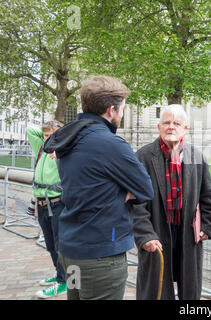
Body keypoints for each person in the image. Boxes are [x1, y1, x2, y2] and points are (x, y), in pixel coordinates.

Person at [43, 75, 154, 300]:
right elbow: (146, 190)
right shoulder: (110, 144)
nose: (122, 114)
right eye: (122, 109)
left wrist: (109, 192)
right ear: (111, 110)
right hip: (100, 259)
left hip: (71, 252)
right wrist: (119, 193)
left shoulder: (69, 138)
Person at [133, 104, 211, 300]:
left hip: (187, 233)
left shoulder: (196, 157)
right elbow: (136, 204)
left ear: (185, 128)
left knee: (190, 289)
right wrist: (145, 235)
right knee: (156, 289)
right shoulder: (143, 157)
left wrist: (206, 226)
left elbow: (208, 198)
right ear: (158, 126)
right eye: (166, 122)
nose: (171, 127)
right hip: (157, 231)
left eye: (176, 123)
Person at [27, 120, 66, 299]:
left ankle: (63, 281)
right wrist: (49, 129)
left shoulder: (64, 151)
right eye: (45, 136)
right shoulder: (42, 149)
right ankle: (59, 275)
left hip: (58, 204)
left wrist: (59, 136)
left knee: (60, 244)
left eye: (50, 136)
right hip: (42, 204)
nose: (47, 139)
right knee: (50, 244)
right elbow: (29, 129)